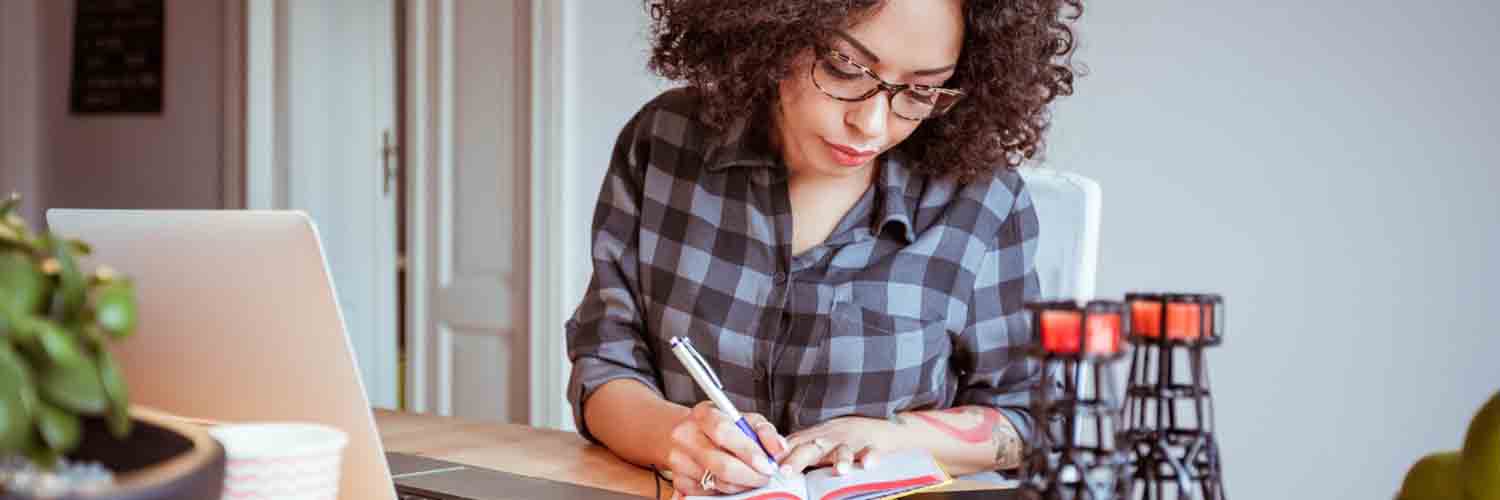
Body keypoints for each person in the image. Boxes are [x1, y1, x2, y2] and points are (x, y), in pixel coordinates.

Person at [565, 0, 1083, 496]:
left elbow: (1033, 416)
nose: (872, 125)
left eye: (923, 92)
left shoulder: (979, 198)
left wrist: (892, 437)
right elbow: (604, 363)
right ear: (772, 29)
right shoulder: (664, 143)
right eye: (844, 67)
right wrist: (674, 436)